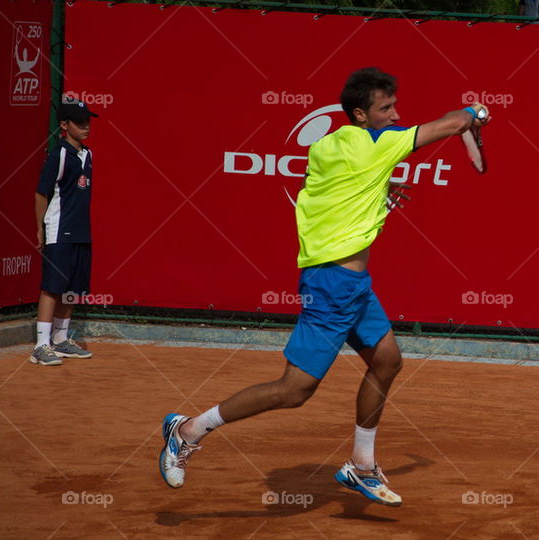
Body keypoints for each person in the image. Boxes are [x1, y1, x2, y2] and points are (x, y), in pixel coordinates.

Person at [158, 67, 491, 507]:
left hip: (352, 285)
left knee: (387, 361)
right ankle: (187, 430)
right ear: (361, 114)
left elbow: (322, 191)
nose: (395, 115)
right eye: (385, 108)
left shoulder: (326, 146)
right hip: (332, 286)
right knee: (294, 390)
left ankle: (361, 466)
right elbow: (451, 123)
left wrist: (377, 187)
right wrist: (476, 112)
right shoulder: (378, 144)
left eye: (394, 106)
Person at [31, 98, 99, 367]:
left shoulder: (88, 155)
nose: (86, 127)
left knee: (72, 289)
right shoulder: (59, 153)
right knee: (52, 287)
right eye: (79, 123)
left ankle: (60, 339)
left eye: (87, 122)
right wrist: (40, 228)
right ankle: (40, 346)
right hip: (59, 231)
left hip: (81, 232)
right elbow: (41, 193)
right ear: (63, 125)